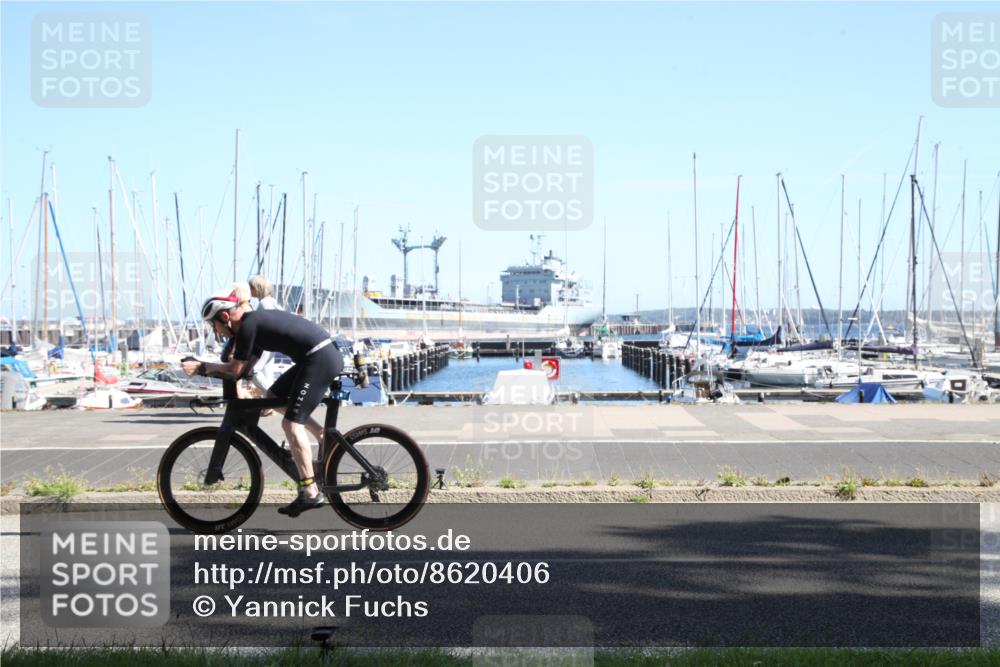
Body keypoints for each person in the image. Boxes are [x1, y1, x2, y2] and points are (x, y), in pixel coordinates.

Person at [182, 289, 344, 517]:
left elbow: (235, 370)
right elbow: (244, 368)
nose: (215, 331)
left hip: (319, 359)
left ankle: (310, 490)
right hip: (314, 357)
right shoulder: (252, 326)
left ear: (225, 318)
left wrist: (201, 367)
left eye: (213, 325)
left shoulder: (249, 325)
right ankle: (321, 435)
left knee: (290, 425)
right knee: (270, 400)